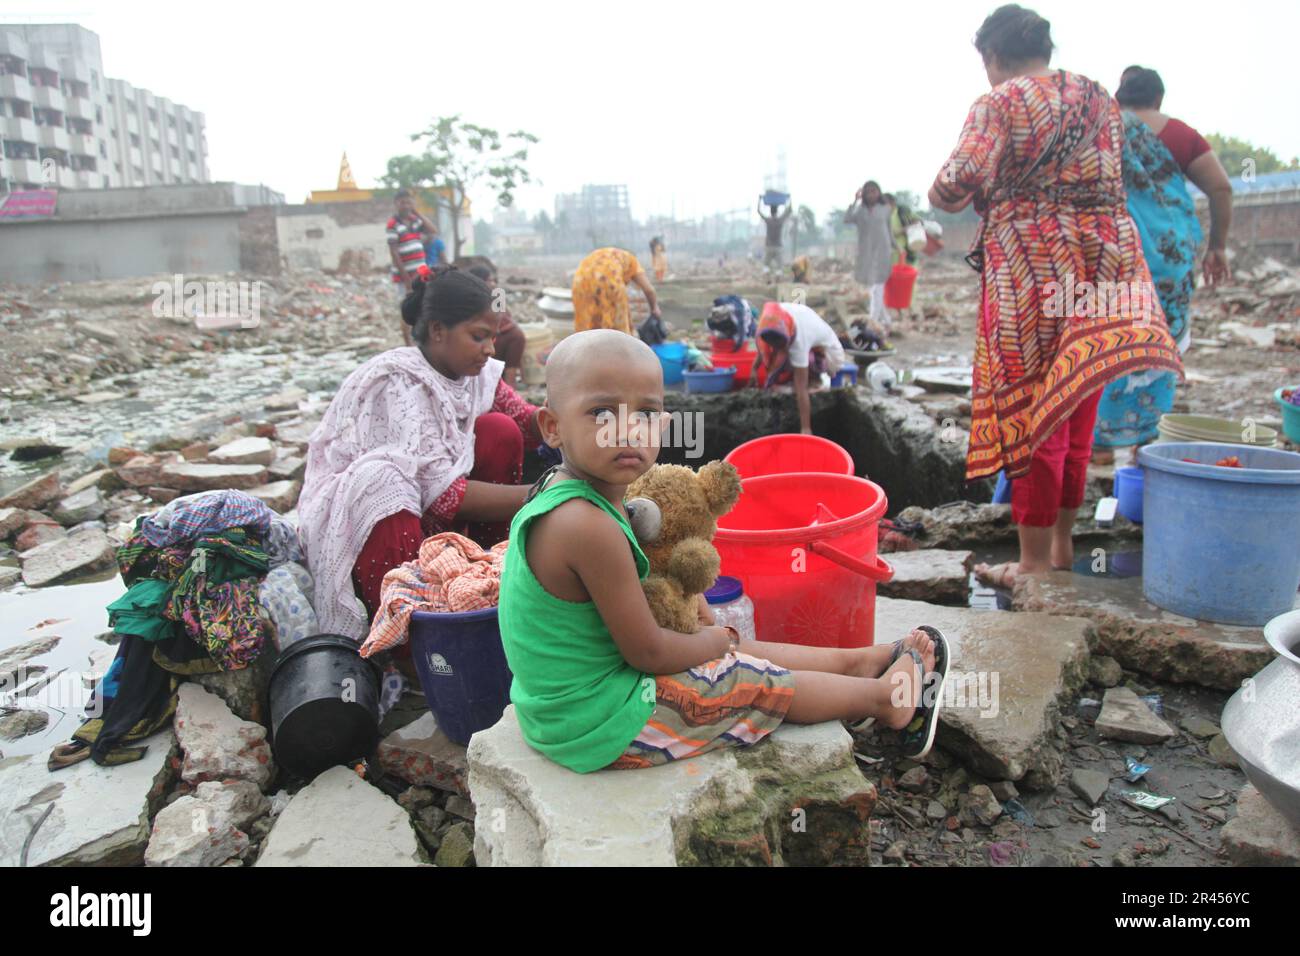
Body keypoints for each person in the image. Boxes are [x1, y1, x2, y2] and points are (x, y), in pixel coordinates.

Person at [497, 328, 951, 772]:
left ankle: (861, 661)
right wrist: (714, 642)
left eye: (647, 414)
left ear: (666, 423)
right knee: (742, 676)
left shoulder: (577, 495)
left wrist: (711, 637)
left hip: (573, 705)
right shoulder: (585, 525)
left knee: (727, 646)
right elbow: (649, 654)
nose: (628, 431)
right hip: (597, 724)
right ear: (552, 427)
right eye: (601, 413)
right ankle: (885, 702)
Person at [927, 4, 1182, 589]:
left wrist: (944, 191)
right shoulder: (1097, 97)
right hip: (1105, 260)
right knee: (1076, 397)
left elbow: (955, 182)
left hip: (1034, 269)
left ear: (992, 57)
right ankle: (1063, 547)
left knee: (1033, 414)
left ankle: (1033, 564)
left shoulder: (1001, 101)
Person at [299, 269, 542, 640]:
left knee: (499, 430)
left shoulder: (473, 375)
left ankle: (488, 577)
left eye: (492, 338)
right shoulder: (398, 383)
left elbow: (526, 422)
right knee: (384, 484)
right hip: (376, 528)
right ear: (437, 330)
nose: (491, 349)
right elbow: (446, 498)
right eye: (478, 337)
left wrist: (580, 413)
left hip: (429, 519)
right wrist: (546, 494)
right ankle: (411, 634)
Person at [1092, 66, 1233, 459]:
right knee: (1158, 344)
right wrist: (1217, 246)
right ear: (1158, 99)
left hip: (1113, 258)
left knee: (1107, 343)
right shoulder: (1180, 135)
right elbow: (1221, 187)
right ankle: (1145, 441)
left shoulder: (1103, 130)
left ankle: (1100, 442)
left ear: (1118, 99)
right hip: (1171, 261)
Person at [752, 300, 848, 436]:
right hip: (797, 334)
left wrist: (806, 428)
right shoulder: (772, 318)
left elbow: (801, 388)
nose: (776, 347)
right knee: (782, 356)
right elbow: (764, 346)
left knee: (801, 363)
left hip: (830, 354)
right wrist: (754, 368)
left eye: (780, 345)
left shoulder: (799, 341)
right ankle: (791, 374)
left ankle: (814, 380)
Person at [844, 181, 900, 331]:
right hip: (866, 254)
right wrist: (854, 200)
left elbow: (889, 231)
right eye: (868, 192)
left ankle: (872, 321)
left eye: (874, 191)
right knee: (873, 289)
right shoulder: (859, 212)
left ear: (879, 193)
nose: (871, 195)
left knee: (877, 288)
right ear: (863, 194)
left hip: (883, 253)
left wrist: (897, 248)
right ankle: (886, 320)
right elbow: (847, 219)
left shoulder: (885, 209)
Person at [571, 247, 662, 335]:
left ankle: (584, 347)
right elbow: (649, 290)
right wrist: (654, 308)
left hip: (580, 280)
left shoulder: (611, 254)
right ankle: (618, 345)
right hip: (609, 278)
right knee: (617, 328)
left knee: (587, 323)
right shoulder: (632, 261)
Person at [465, 260, 526, 390]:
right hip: (487, 342)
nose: (493, 283)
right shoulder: (473, 301)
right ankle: (510, 383)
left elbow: (504, 319)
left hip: (495, 339)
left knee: (516, 335)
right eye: (489, 280)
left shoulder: (495, 297)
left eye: (494, 280)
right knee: (516, 336)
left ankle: (510, 384)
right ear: (480, 281)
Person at [387, 189, 436, 346]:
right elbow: (394, 253)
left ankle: (421, 340)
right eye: (402, 202)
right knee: (406, 307)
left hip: (420, 272)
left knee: (423, 305)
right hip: (405, 275)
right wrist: (406, 278)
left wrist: (417, 213)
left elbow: (433, 230)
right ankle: (408, 343)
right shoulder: (393, 224)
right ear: (396, 204)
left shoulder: (415, 221)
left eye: (409, 202)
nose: (406, 205)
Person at [758, 196, 792, 273]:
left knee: (766, 265)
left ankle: (767, 277)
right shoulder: (780, 220)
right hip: (778, 246)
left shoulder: (768, 220)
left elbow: (759, 211)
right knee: (779, 266)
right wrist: (789, 199)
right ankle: (778, 278)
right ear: (777, 211)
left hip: (769, 246)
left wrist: (759, 200)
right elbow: (789, 210)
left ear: (770, 211)